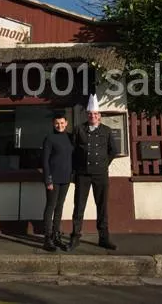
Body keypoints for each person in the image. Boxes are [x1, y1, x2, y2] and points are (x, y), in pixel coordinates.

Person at [68, 94, 118, 251]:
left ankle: (104, 238)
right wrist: (75, 170)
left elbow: (113, 151)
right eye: (90, 114)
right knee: (79, 206)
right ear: (87, 115)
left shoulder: (107, 130)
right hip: (82, 174)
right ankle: (75, 237)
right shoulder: (79, 129)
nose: (93, 116)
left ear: (99, 116)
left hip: (100, 174)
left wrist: (103, 164)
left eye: (95, 114)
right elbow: (73, 151)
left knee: (102, 206)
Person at [41, 113, 73, 252]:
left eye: (62, 123)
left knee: (59, 207)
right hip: (53, 179)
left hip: (66, 178)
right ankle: (47, 238)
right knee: (51, 206)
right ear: (53, 124)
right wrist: (48, 179)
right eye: (56, 123)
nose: (59, 125)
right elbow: (45, 161)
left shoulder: (70, 137)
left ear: (66, 123)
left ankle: (56, 236)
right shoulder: (49, 138)